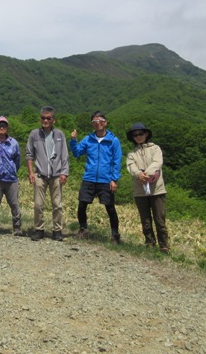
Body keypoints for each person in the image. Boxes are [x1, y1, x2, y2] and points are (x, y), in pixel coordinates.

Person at [70, 110, 123, 243]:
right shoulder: (88, 139)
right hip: (89, 178)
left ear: (105, 122)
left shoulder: (113, 141)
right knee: (82, 205)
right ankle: (83, 229)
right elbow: (77, 153)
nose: (97, 123)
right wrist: (73, 140)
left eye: (100, 121)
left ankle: (115, 235)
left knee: (110, 207)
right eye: (94, 121)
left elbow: (117, 161)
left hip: (106, 179)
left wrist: (114, 179)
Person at [26, 106, 69, 241]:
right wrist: (31, 173)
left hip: (56, 174)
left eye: (48, 118)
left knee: (57, 204)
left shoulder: (60, 135)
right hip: (40, 174)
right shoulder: (34, 134)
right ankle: (39, 229)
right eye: (43, 118)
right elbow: (29, 154)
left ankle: (57, 230)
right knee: (38, 204)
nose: (45, 120)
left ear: (53, 120)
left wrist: (64, 172)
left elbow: (64, 155)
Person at [125, 122, 170, 253]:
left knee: (160, 219)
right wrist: (138, 174)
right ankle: (149, 243)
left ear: (146, 134)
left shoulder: (155, 148)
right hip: (140, 191)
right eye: (135, 135)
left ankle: (164, 246)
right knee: (145, 220)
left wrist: (145, 173)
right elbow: (130, 166)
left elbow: (158, 162)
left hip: (157, 189)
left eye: (140, 134)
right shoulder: (132, 153)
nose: (138, 136)